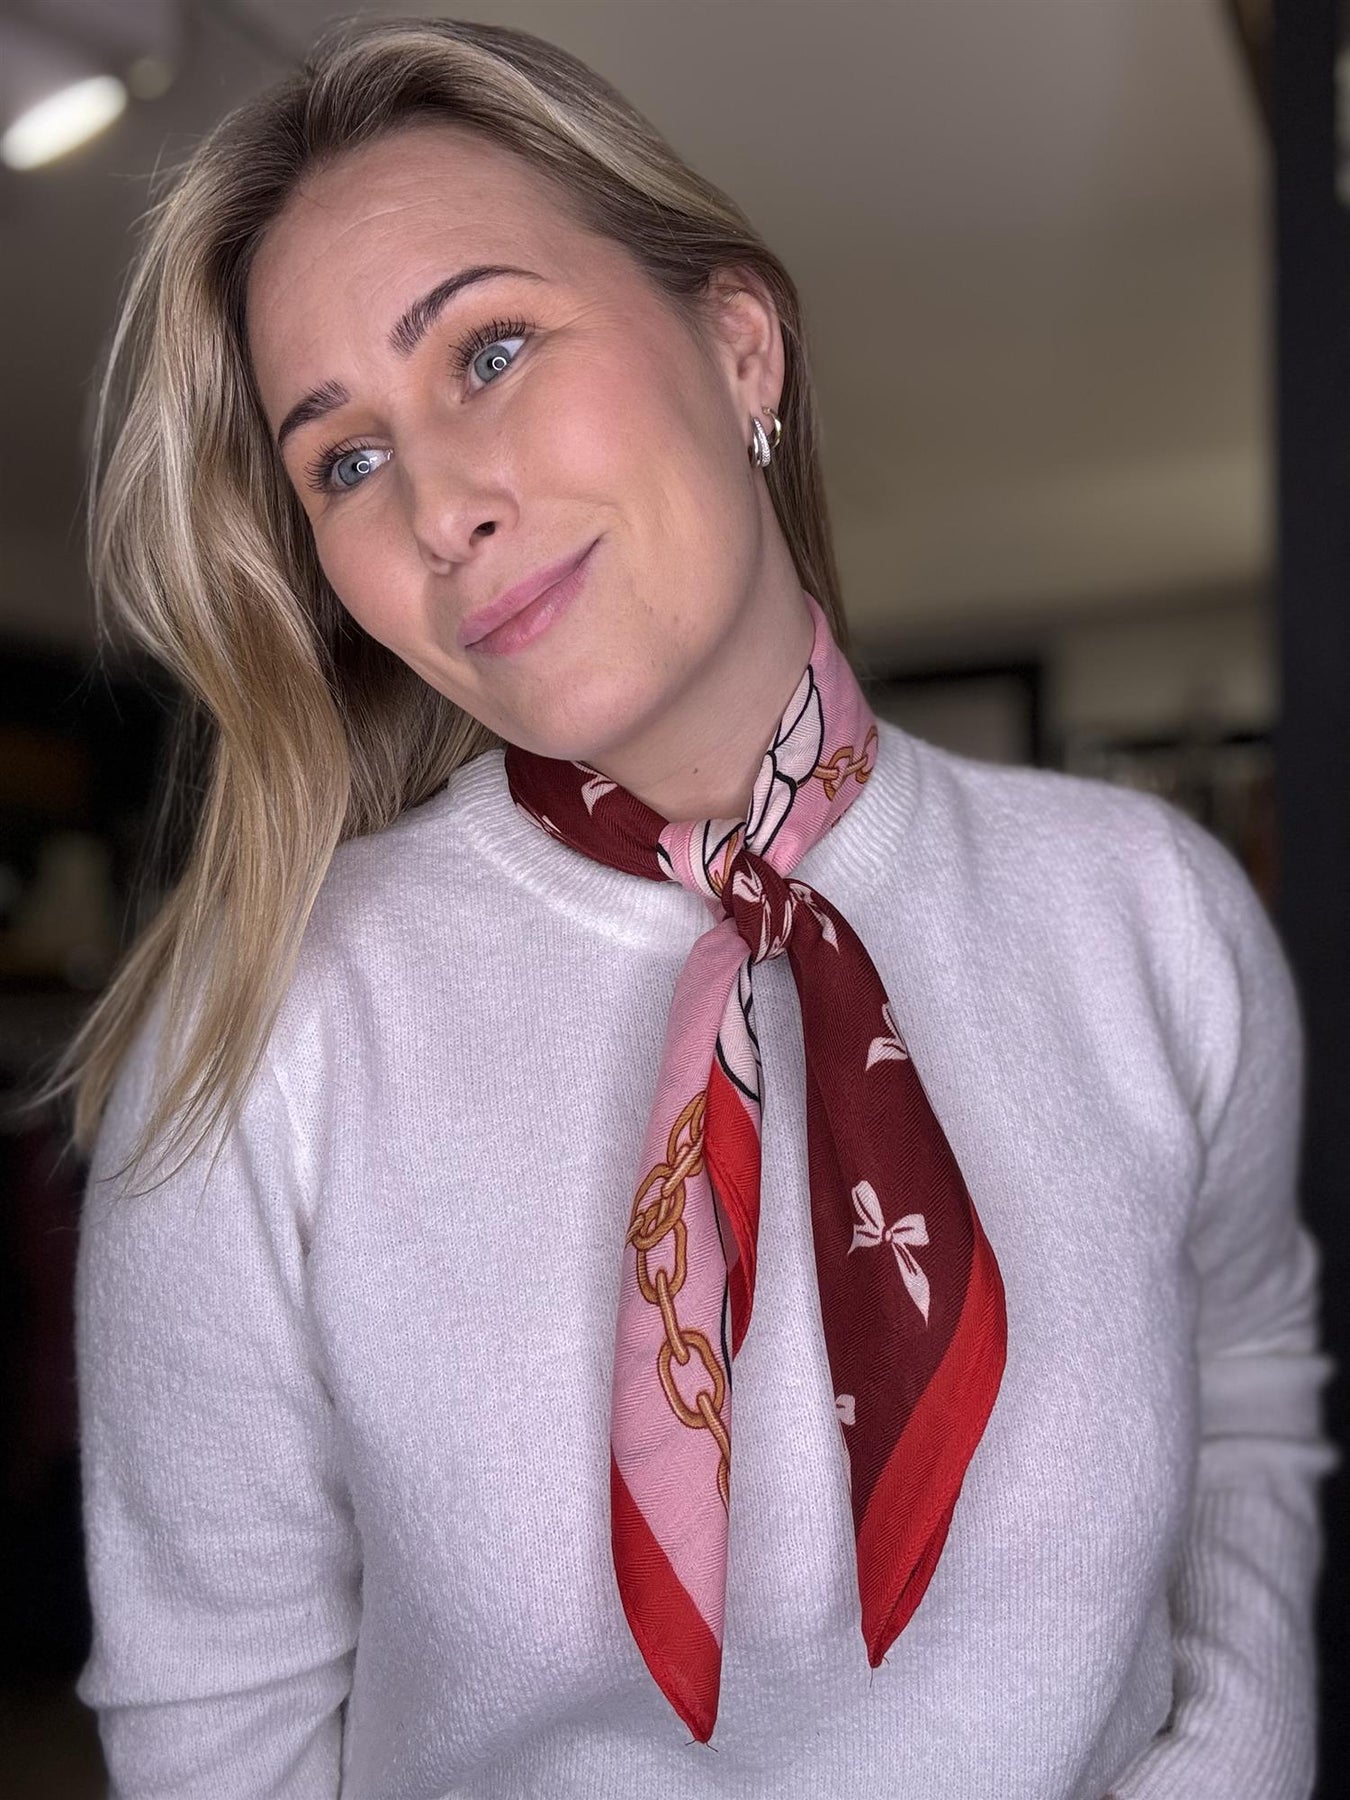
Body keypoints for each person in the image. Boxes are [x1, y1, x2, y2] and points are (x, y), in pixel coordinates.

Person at [38, 15, 1335, 1799]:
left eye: (490, 350)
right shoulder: (267, 1037)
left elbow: (1249, 1372)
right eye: (343, 460)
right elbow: (215, 1724)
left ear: (736, 347)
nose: (440, 505)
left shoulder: (1149, 915)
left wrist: (1240, 1746)